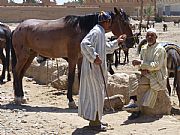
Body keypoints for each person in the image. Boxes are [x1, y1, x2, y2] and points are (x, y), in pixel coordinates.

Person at [78, 11, 126, 131]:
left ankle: (97, 120)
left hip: (96, 70)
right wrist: (94, 57)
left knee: (98, 95)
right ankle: (94, 123)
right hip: (92, 70)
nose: (110, 24)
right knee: (95, 95)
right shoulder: (96, 31)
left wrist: (117, 42)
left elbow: (106, 48)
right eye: (109, 22)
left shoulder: (100, 32)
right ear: (106, 21)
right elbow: (84, 44)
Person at [122, 28, 169, 120]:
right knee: (132, 76)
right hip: (147, 73)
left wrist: (142, 64)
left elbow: (157, 65)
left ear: (156, 37)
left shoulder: (160, 49)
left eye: (152, 35)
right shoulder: (144, 48)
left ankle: (136, 110)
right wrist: (141, 68)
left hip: (157, 75)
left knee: (138, 84)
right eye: (148, 35)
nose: (150, 37)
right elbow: (141, 63)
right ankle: (133, 101)